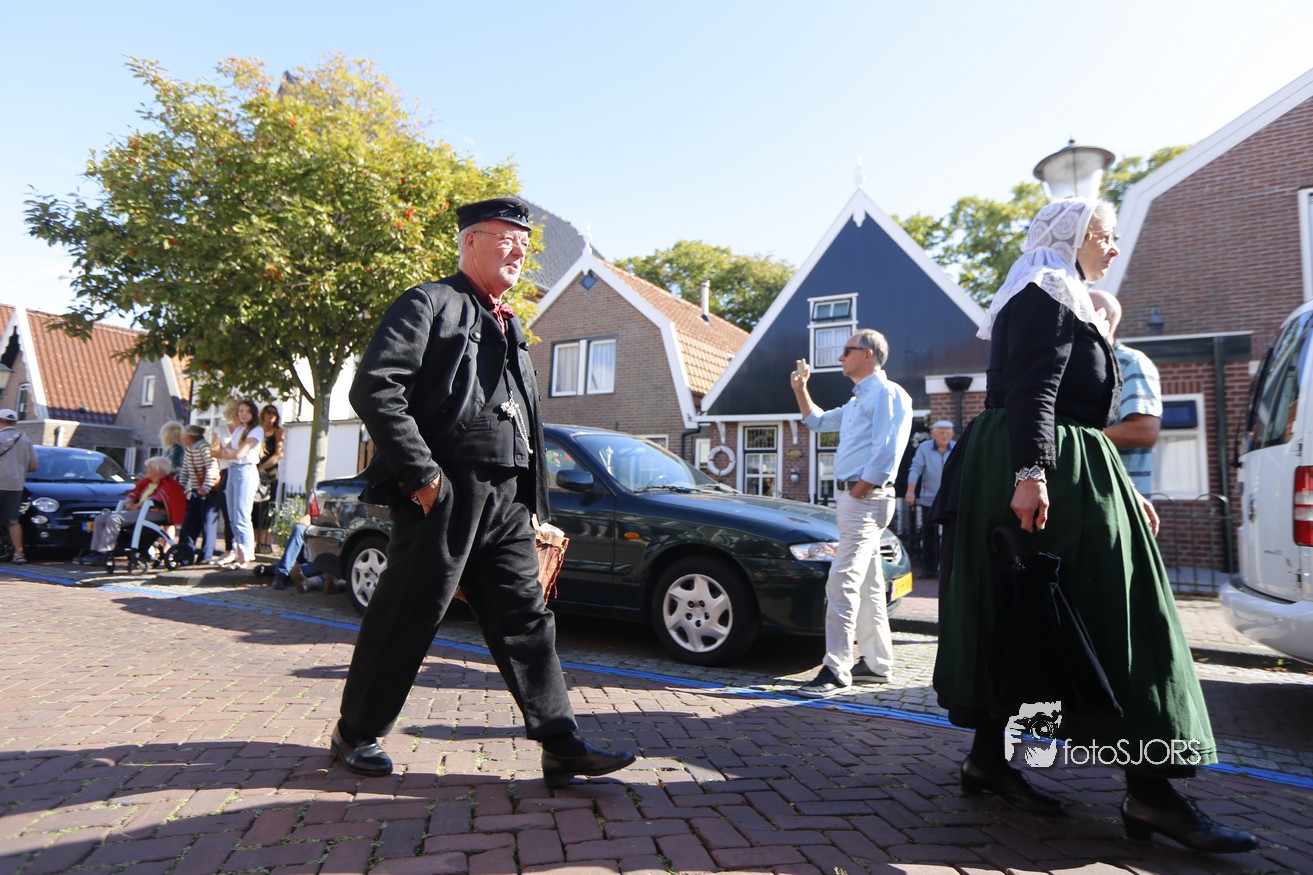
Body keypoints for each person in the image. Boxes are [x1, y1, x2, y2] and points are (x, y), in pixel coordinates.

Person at [931, 198, 1256, 853]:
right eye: (1104, 236)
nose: (1112, 248)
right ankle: (1151, 794)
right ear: (1073, 236)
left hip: (1067, 466)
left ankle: (988, 762)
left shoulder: (1060, 294)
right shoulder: (1047, 288)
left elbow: (1070, 409)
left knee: (1029, 611)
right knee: (1119, 616)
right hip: (1044, 468)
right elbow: (1035, 390)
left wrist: (1122, 488)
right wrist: (1032, 473)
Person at [332, 196, 636, 784]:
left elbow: (527, 420)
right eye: (506, 239)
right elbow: (375, 388)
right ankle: (356, 732)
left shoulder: (512, 325)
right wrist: (423, 477)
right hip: (446, 492)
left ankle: (560, 743)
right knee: (408, 615)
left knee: (526, 617)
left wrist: (536, 506)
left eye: (525, 243)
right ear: (470, 240)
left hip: (507, 500)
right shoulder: (429, 303)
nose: (519, 251)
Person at [790, 329, 912, 697]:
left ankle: (836, 669)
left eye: (847, 350)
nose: (840, 356)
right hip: (855, 500)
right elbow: (817, 421)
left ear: (869, 354)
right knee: (869, 584)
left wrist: (859, 490)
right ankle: (876, 663)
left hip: (864, 500)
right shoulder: (859, 400)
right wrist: (800, 388)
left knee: (841, 581)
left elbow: (887, 452)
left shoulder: (888, 394)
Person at [1088, 290, 1162, 494]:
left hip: (1120, 497)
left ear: (1101, 318)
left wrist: (1073, 439)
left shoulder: (1130, 363)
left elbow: (1144, 432)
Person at [78, 455, 186, 565]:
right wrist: (130, 501)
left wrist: (139, 505)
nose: (145, 470)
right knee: (100, 519)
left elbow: (159, 499)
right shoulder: (147, 483)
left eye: (148, 467)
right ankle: (95, 551)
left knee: (115, 519)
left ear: (158, 470)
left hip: (157, 512)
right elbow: (134, 493)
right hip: (141, 511)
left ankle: (105, 552)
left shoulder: (169, 484)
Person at [211, 399, 264, 567]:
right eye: (241, 411)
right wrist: (229, 453)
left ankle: (246, 555)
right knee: (232, 516)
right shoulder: (239, 429)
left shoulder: (256, 430)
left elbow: (239, 454)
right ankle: (238, 552)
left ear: (253, 413)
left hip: (245, 471)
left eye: (247, 411)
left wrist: (229, 453)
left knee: (242, 515)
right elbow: (225, 450)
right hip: (233, 470)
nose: (243, 414)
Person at [905, 420, 955, 577]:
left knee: (951, 534)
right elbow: (915, 469)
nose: (944, 436)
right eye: (941, 432)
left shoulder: (956, 447)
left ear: (952, 434)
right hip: (929, 499)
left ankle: (949, 569)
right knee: (929, 534)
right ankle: (929, 569)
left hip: (950, 499)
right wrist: (910, 491)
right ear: (933, 434)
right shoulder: (924, 448)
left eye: (947, 432)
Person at [178, 424, 222, 563]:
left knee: (208, 525)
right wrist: (181, 487)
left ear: (190, 436)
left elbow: (212, 467)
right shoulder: (189, 449)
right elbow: (185, 470)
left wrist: (205, 487)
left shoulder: (204, 448)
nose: (181, 437)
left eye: (183, 434)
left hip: (209, 492)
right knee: (189, 525)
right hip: (196, 491)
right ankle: (185, 555)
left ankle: (205, 557)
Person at [0, 409, 38, 564]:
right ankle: (19, 554)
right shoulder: (25, 440)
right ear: (14, 422)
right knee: (12, 520)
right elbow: (34, 466)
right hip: (15, 486)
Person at [253, 405, 285, 554]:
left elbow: (278, 454)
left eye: (274, 413)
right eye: (269, 412)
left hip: (269, 474)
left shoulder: (278, 431)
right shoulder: (257, 431)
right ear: (263, 414)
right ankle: (256, 542)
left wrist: (261, 468)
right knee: (254, 508)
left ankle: (266, 543)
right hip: (254, 473)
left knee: (267, 507)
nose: (272, 415)